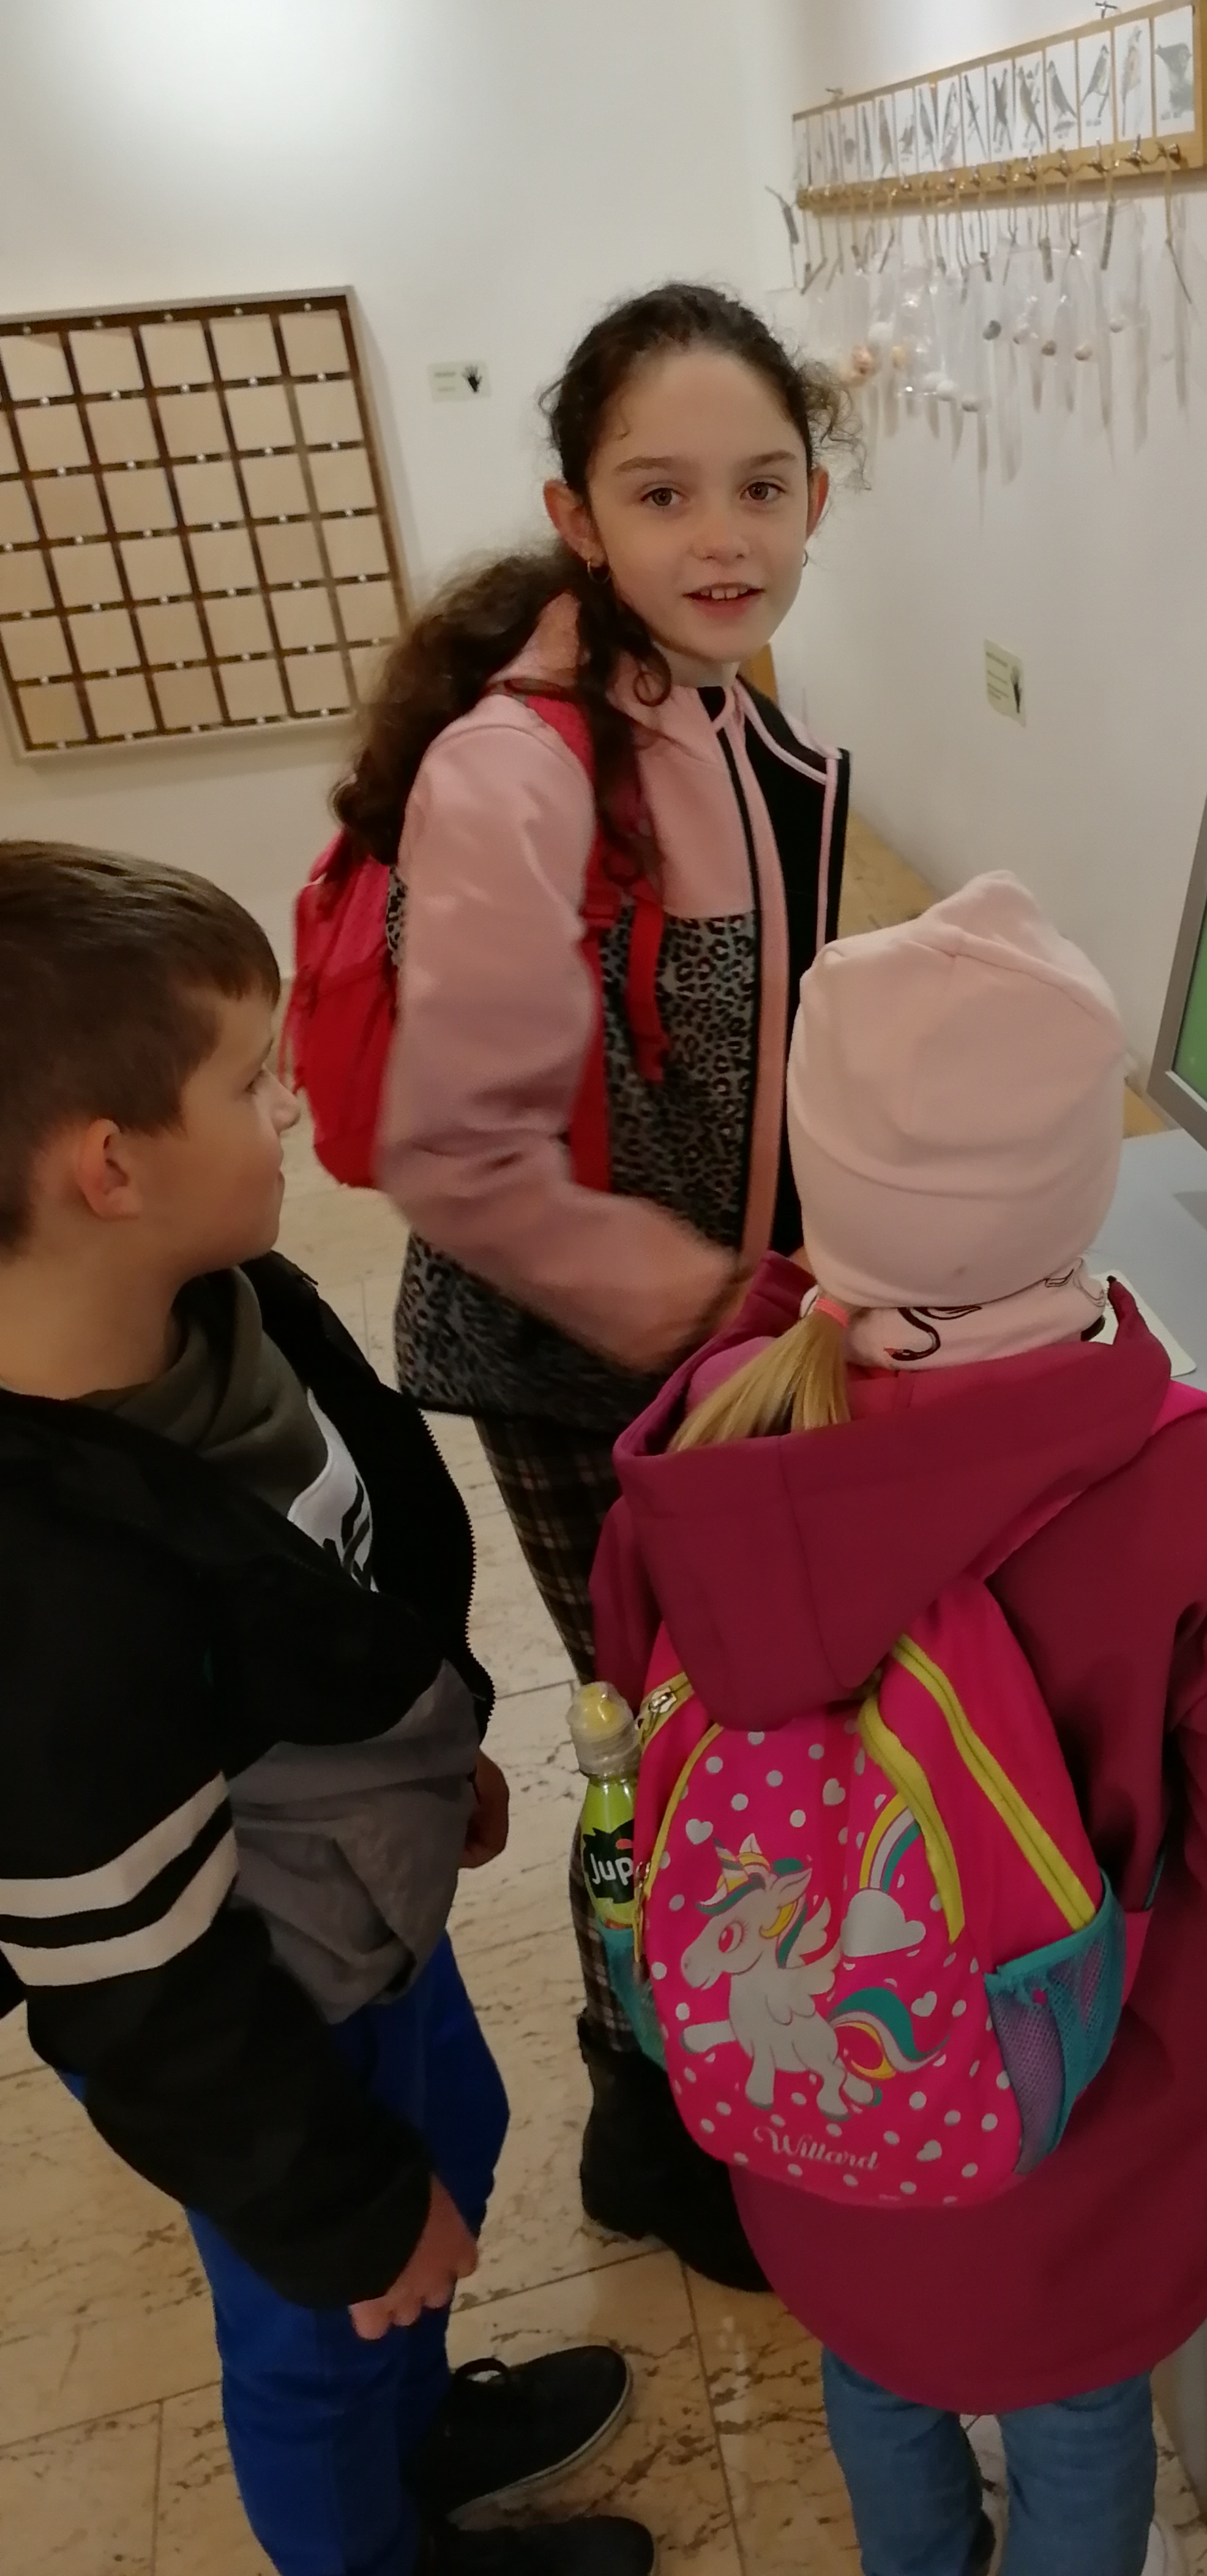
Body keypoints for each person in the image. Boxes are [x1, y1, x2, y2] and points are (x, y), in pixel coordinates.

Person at [590, 873, 1207, 2576]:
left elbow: (640, 1679)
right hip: (1080, 2140)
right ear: (1084, 1183)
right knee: (1079, 2414)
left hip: (815, 2107)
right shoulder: (1179, 1478)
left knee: (878, 2372)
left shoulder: (716, 1421)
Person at [0, 844, 652, 2576]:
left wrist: (430, 1754)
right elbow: (138, 1988)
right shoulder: (47, 1593)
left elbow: (351, 1584)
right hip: (262, 2028)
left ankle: (420, 2433)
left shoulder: (227, 1310)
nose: (288, 1105)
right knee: (326, 2319)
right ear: (111, 1166)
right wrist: (334, 2203)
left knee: (458, 2144)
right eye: (249, 1080)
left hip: (369, 1907)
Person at [332, 284, 851, 2279]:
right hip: (572, 1358)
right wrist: (716, 1310)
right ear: (578, 514)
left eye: (762, 487)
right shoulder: (523, 764)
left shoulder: (705, 696)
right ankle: (649, 2116)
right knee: (659, 1752)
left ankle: (710, 2074)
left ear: (815, 499)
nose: (723, 536)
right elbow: (459, 1156)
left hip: (698, 1332)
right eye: (663, 492)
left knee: (721, 1732)